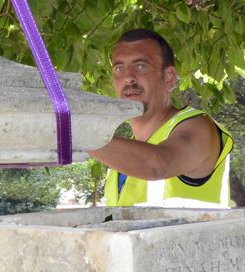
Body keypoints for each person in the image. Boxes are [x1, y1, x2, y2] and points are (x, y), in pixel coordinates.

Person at [88, 29, 234, 207]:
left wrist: (74, 134)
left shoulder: (199, 127)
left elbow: (158, 166)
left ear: (169, 77)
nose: (128, 78)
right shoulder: (123, 156)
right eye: (119, 68)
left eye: (141, 66)